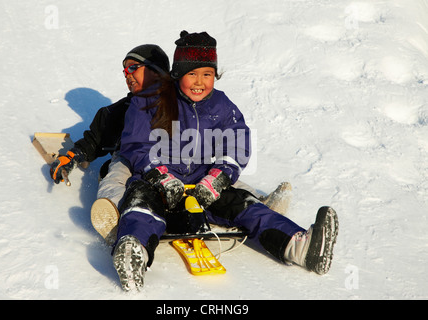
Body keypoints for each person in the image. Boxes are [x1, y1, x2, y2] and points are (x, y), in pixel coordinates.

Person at [113, 31, 339, 292]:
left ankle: (298, 247)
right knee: (140, 205)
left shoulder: (221, 105)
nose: (200, 82)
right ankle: (133, 251)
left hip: (201, 183)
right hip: (157, 181)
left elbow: (236, 141)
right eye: (192, 74)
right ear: (177, 74)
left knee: (245, 205)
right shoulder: (151, 99)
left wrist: (219, 177)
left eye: (207, 74)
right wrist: (158, 176)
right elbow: (136, 144)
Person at [48, 43, 280, 245]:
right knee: (118, 174)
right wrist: (71, 157)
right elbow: (93, 141)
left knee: (215, 173)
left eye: (132, 68)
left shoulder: (181, 101)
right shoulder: (117, 111)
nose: (126, 74)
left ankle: (257, 204)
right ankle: (114, 216)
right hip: (134, 160)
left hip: (177, 161)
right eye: (124, 70)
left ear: (157, 71)